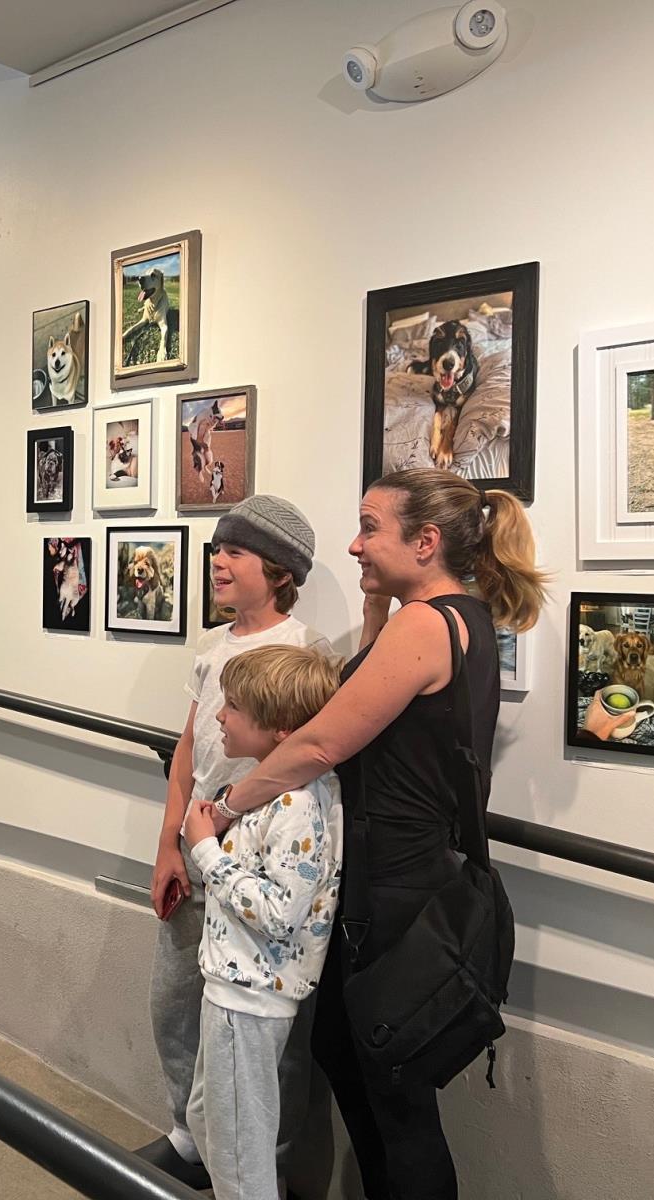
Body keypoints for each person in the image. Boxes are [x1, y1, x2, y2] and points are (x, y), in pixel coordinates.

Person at [214, 468, 548, 1200]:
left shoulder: (429, 625)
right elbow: (365, 704)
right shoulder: (453, 618)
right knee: (357, 1062)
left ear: (425, 542)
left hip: (393, 893)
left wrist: (226, 807)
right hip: (398, 880)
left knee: (396, 1103)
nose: (354, 544)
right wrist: (371, 609)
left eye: (370, 528)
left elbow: (320, 742)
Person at [138, 495, 334, 1194]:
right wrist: (171, 845)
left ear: (279, 570)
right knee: (176, 1001)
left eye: (236, 552)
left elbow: (314, 754)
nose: (218, 562)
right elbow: (189, 748)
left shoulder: (307, 651)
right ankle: (191, 1139)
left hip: (259, 862)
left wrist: (222, 824)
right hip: (200, 845)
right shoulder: (210, 647)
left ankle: (262, 1164)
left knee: (259, 1031)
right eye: (217, 549)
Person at [181, 644, 344, 1200]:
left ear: (278, 729)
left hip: (250, 998)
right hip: (234, 989)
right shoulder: (276, 792)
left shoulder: (298, 803)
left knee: (239, 1160)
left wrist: (206, 852)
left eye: (233, 708)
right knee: (208, 1119)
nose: (219, 717)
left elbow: (279, 913)